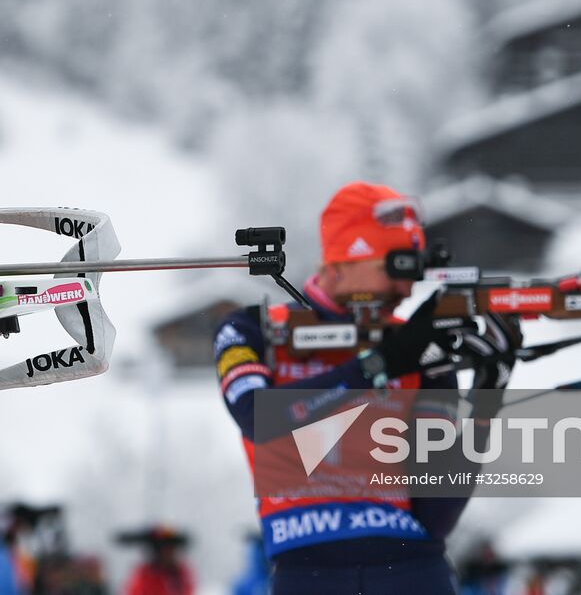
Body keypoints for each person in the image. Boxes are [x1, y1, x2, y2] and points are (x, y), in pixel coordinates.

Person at [213, 182, 519, 595]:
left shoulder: (418, 346)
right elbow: (258, 417)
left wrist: (488, 393)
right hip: (306, 574)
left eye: (414, 273)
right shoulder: (252, 331)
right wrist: (380, 365)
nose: (407, 289)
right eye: (394, 268)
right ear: (341, 262)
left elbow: (435, 514)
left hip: (413, 571)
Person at [118, 527, 194, 595]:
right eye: (165, 550)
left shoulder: (181, 573)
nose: (169, 554)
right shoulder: (145, 575)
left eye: (172, 550)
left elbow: (188, 589)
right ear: (157, 553)